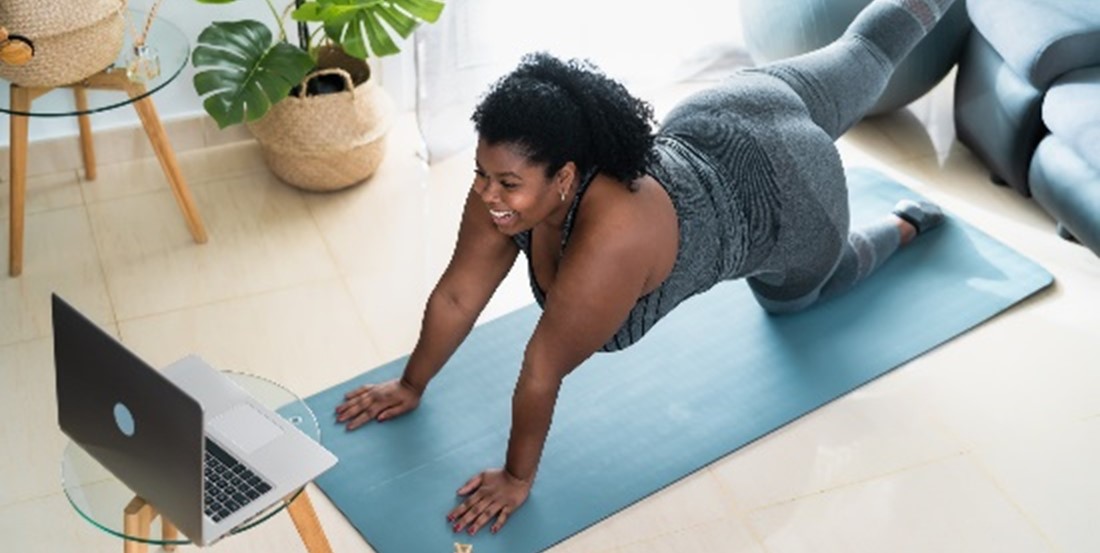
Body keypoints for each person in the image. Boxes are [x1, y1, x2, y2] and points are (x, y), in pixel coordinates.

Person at [335, 0, 955, 536]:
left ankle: (901, 227)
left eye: (507, 182)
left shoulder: (614, 235)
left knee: (796, 298)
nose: (488, 194)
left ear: (566, 177)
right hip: (732, 109)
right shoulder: (507, 198)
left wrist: (516, 477)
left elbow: (542, 368)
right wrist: (411, 384)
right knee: (865, 50)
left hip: (794, 200)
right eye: (481, 174)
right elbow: (456, 297)